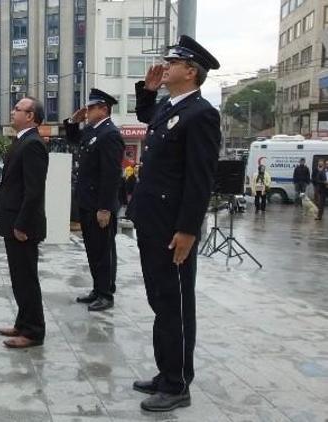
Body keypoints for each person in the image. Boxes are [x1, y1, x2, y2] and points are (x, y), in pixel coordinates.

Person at [127, 35, 221, 412]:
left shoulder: (202, 114)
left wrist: (188, 230)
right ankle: (167, 372)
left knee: (176, 304)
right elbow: (147, 118)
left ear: (191, 71)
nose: (165, 66)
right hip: (152, 222)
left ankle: (178, 384)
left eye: (173, 62)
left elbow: (200, 179)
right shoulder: (170, 105)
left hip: (173, 229)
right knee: (160, 300)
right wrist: (147, 93)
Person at [64, 89, 125, 312]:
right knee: (93, 249)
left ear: (104, 109)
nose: (87, 112)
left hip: (100, 204)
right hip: (87, 201)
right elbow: (73, 139)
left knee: (103, 250)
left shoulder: (110, 134)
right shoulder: (92, 131)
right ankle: (98, 289)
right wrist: (73, 121)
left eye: (91, 108)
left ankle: (106, 293)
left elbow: (111, 176)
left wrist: (105, 208)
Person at [0, 96, 49, 349]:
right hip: (12, 221)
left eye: (18, 109)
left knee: (27, 278)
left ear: (30, 116)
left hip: (23, 226)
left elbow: (34, 190)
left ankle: (33, 331)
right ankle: (23, 321)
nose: (13, 111)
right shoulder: (22, 141)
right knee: (19, 277)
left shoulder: (33, 144)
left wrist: (22, 224)